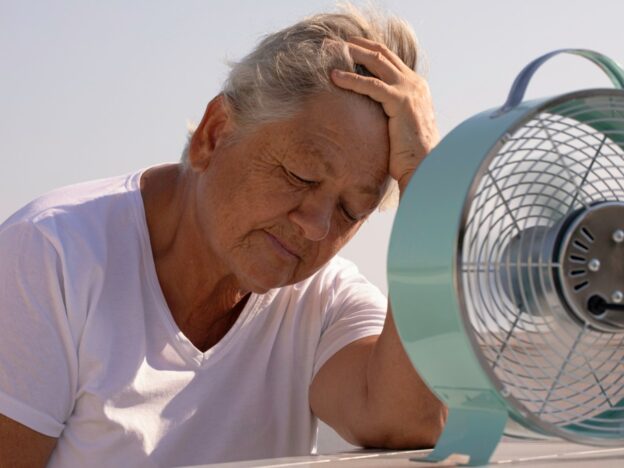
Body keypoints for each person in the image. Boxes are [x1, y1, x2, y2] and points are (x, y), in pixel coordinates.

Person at [0, 5, 446, 467]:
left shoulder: (325, 299)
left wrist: (429, 188)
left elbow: (409, 421)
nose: (316, 225)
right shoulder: (49, 255)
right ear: (214, 133)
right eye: (301, 175)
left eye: (352, 210)